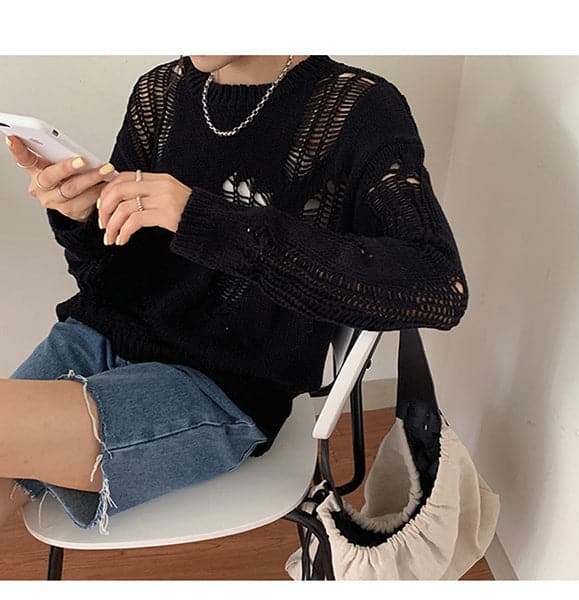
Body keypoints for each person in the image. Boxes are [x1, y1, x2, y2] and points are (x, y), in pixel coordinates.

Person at [1, 54, 469, 536]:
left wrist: (206, 220)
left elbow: (439, 287)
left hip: (222, 385)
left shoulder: (358, 108)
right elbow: (111, 276)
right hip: (98, 335)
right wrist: (80, 217)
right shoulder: (161, 92)